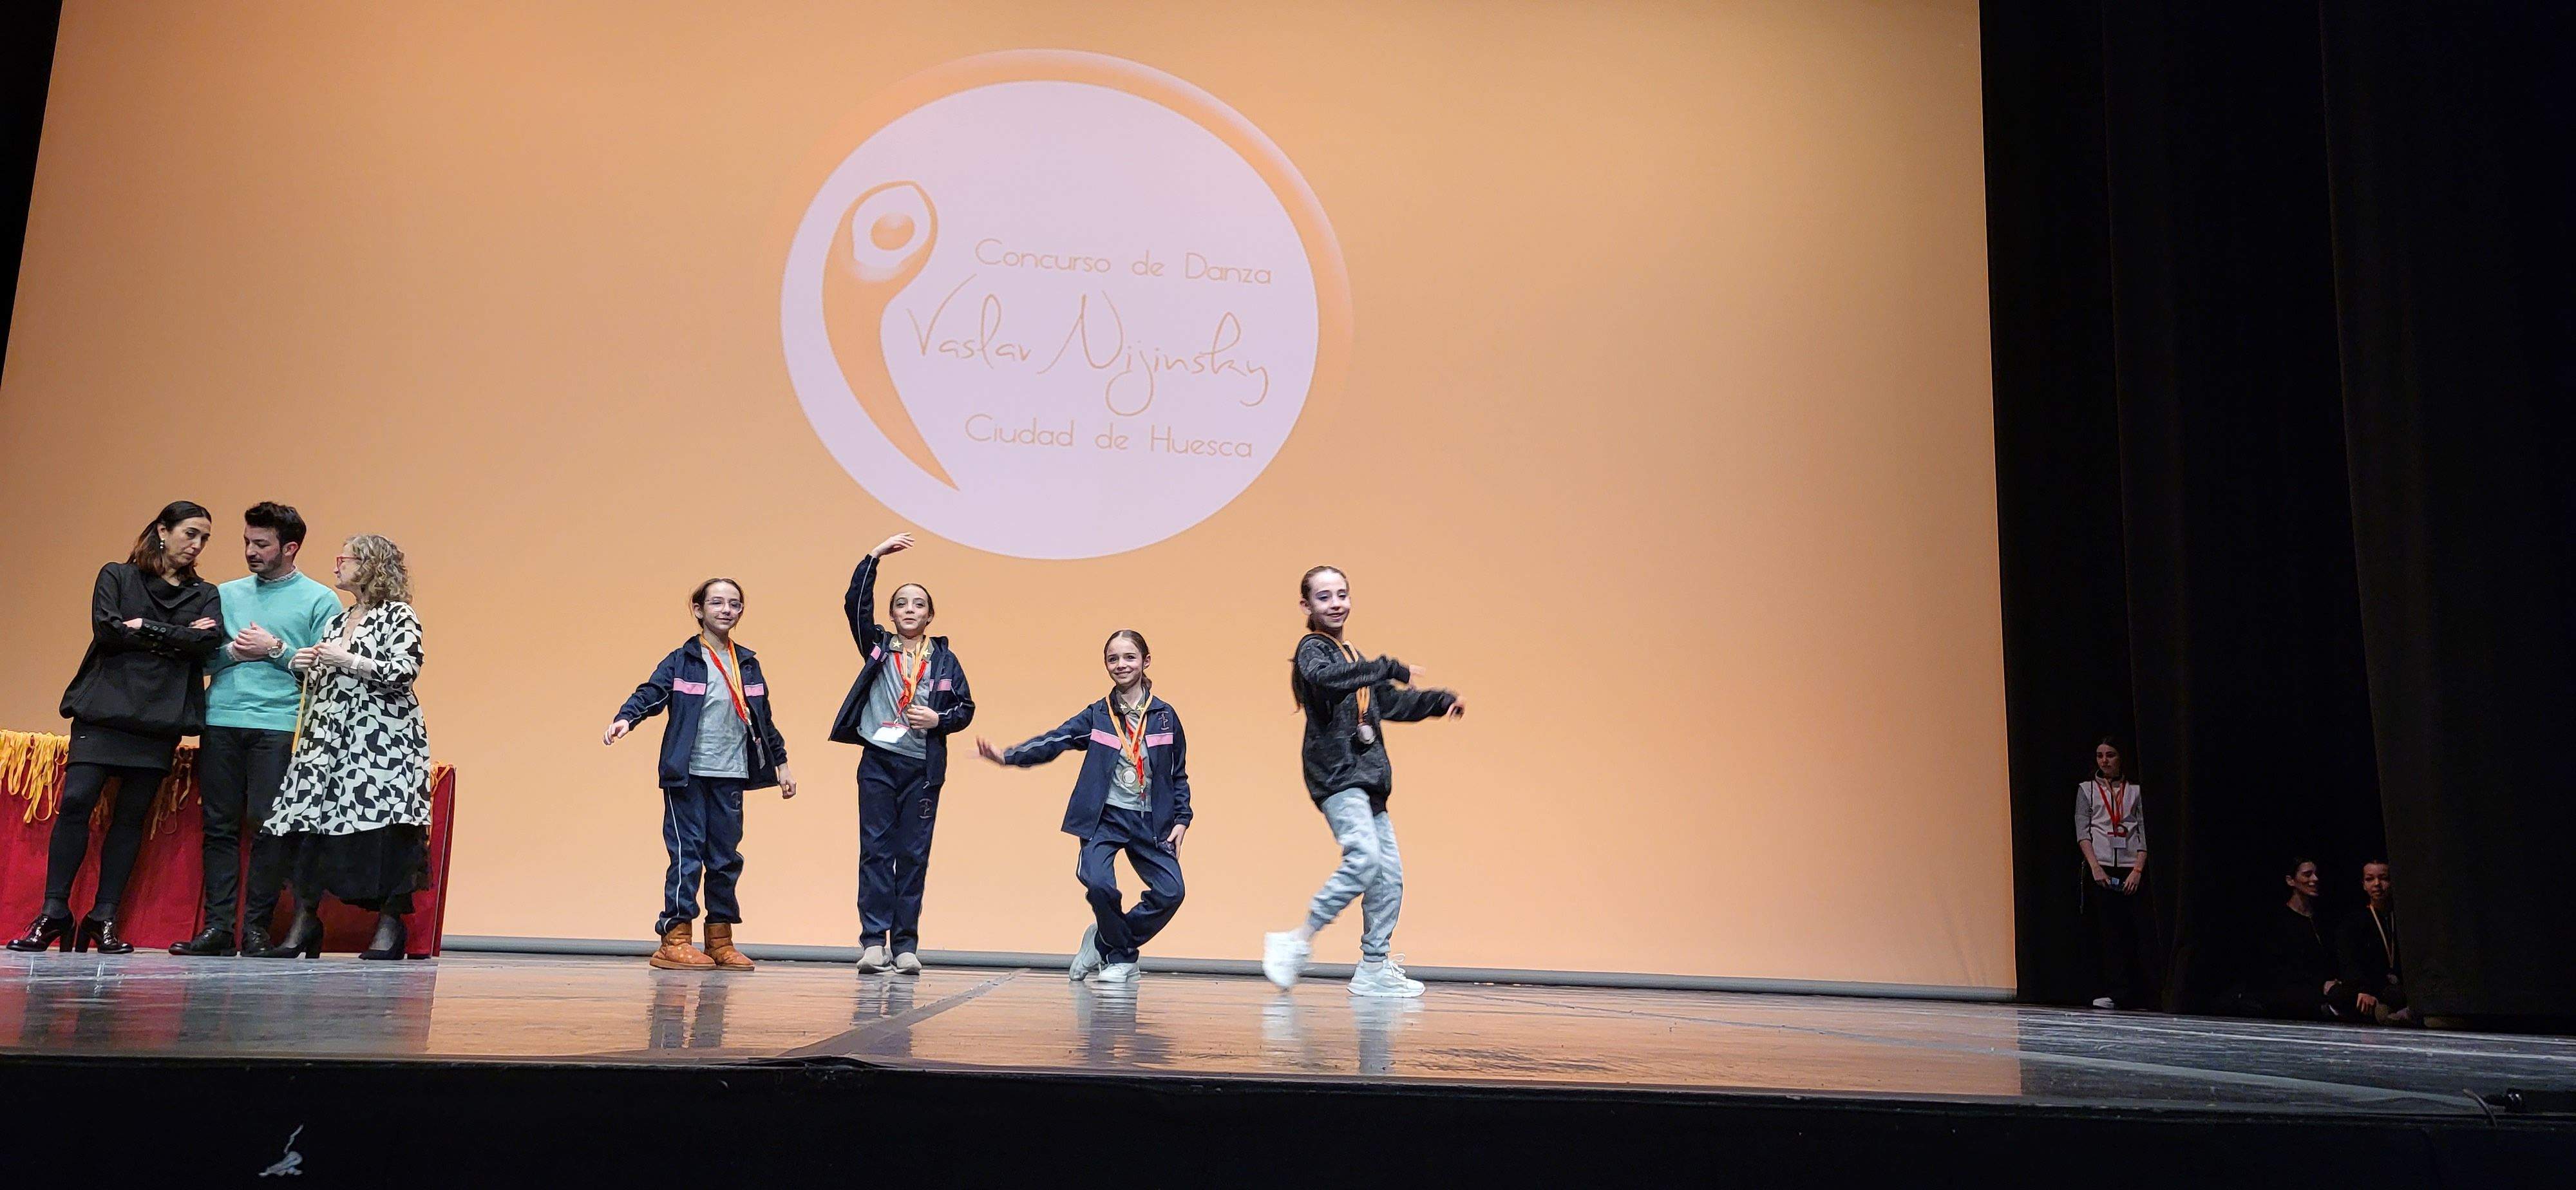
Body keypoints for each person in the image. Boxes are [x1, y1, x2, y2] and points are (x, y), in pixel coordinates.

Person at [9, 502, 223, 955]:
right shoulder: (117, 576)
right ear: (162, 531)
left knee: (131, 818)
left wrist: (145, 626)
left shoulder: (205, 593)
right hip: (104, 711)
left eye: (204, 538)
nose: (197, 545)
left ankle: (102, 917)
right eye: (190, 533)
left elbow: (206, 642)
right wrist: (176, 636)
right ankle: (53, 913)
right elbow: (107, 630)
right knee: (77, 802)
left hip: (158, 719)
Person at [1261, 565, 1463, 997]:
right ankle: (1296, 940)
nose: (1336, 604)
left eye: (1342, 595)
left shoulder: (1351, 655)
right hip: (1338, 776)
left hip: (1367, 777)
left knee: (1388, 876)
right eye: (1324, 597)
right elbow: (1325, 679)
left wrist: (1438, 700)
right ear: (1307, 606)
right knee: (1364, 859)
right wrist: (1388, 666)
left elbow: (1386, 701)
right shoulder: (1313, 650)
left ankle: (1374, 965)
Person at [172, 502, 344, 958]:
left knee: (269, 828)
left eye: (261, 544)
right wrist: (235, 653)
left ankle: (256, 929)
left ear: (290, 548)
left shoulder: (320, 599)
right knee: (219, 827)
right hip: (223, 720)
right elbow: (200, 658)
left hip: (279, 726)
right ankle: (218, 929)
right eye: (247, 541)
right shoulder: (225, 594)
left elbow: (325, 672)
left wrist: (276, 650)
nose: (250, 551)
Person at [976, 630, 1193, 985]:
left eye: (1129, 657)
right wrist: (1009, 756)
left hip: (1151, 822)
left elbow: (1178, 773)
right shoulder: (1098, 715)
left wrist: (1182, 819)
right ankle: (1121, 957)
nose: (1121, 665)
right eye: (1113, 659)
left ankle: (1104, 940)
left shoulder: (1166, 717)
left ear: (1146, 662)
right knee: (1098, 884)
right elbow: (1056, 739)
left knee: (1172, 892)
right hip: (1104, 818)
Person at [251, 534, 430, 961]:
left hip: (378, 748)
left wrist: (348, 660)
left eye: (344, 559)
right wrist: (294, 659)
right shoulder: (339, 619)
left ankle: (389, 927)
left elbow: (404, 671)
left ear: (370, 565)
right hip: (327, 745)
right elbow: (323, 677)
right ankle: (305, 922)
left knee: (383, 834)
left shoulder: (398, 616)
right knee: (311, 833)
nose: (336, 567)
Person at [605, 578, 799, 972]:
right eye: (716, 603)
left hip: (731, 774)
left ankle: (720, 939)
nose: (726, 610)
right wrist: (627, 717)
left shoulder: (747, 662)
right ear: (698, 610)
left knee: (725, 858)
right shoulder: (683, 659)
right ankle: (674, 937)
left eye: (734, 604)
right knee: (687, 854)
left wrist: (781, 762)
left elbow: (764, 719)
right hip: (688, 774)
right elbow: (652, 692)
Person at [830, 532, 974, 974]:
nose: (909, 610)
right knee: (876, 851)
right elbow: (855, 606)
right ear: (892, 614)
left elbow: (965, 708)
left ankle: (906, 944)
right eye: (902, 604)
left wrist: (940, 721)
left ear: (930, 616)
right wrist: (873, 557)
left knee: (912, 855)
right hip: (878, 762)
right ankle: (874, 942)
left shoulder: (945, 660)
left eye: (918, 605)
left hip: (922, 768)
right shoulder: (878, 646)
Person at [2076, 737, 2156, 1008]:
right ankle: (2114, 991)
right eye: (2100, 756)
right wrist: (2095, 867)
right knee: (2108, 933)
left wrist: (2137, 869)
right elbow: (2083, 832)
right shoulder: (2087, 789)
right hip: (2101, 868)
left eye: (2110, 755)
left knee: (2136, 931)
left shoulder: (2135, 790)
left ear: (2121, 758)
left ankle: (2143, 992)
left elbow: (2145, 832)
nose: (2105, 761)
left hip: (2130, 868)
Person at [2253, 856, 2351, 1021]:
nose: (2315, 879)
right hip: (2297, 994)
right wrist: (2321, 987)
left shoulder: (2324, 919)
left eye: (2316, 874)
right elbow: (2279, 971)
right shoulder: (2279, 922)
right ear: (2291, 881)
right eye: (2307, 875)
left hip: (2328, 990)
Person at [2335, 859, 2413, 1025]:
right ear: (2363, 885)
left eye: (2383, 878)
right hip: (2374, 988)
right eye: (2370, 879)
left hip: (2401, 987)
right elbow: (2349, 961)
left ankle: (2399, 1011)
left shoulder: (2404, 919)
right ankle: (2386, 1011)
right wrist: (2363, 989)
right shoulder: (2353, 922)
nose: (2377, 884)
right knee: (2340, 994)